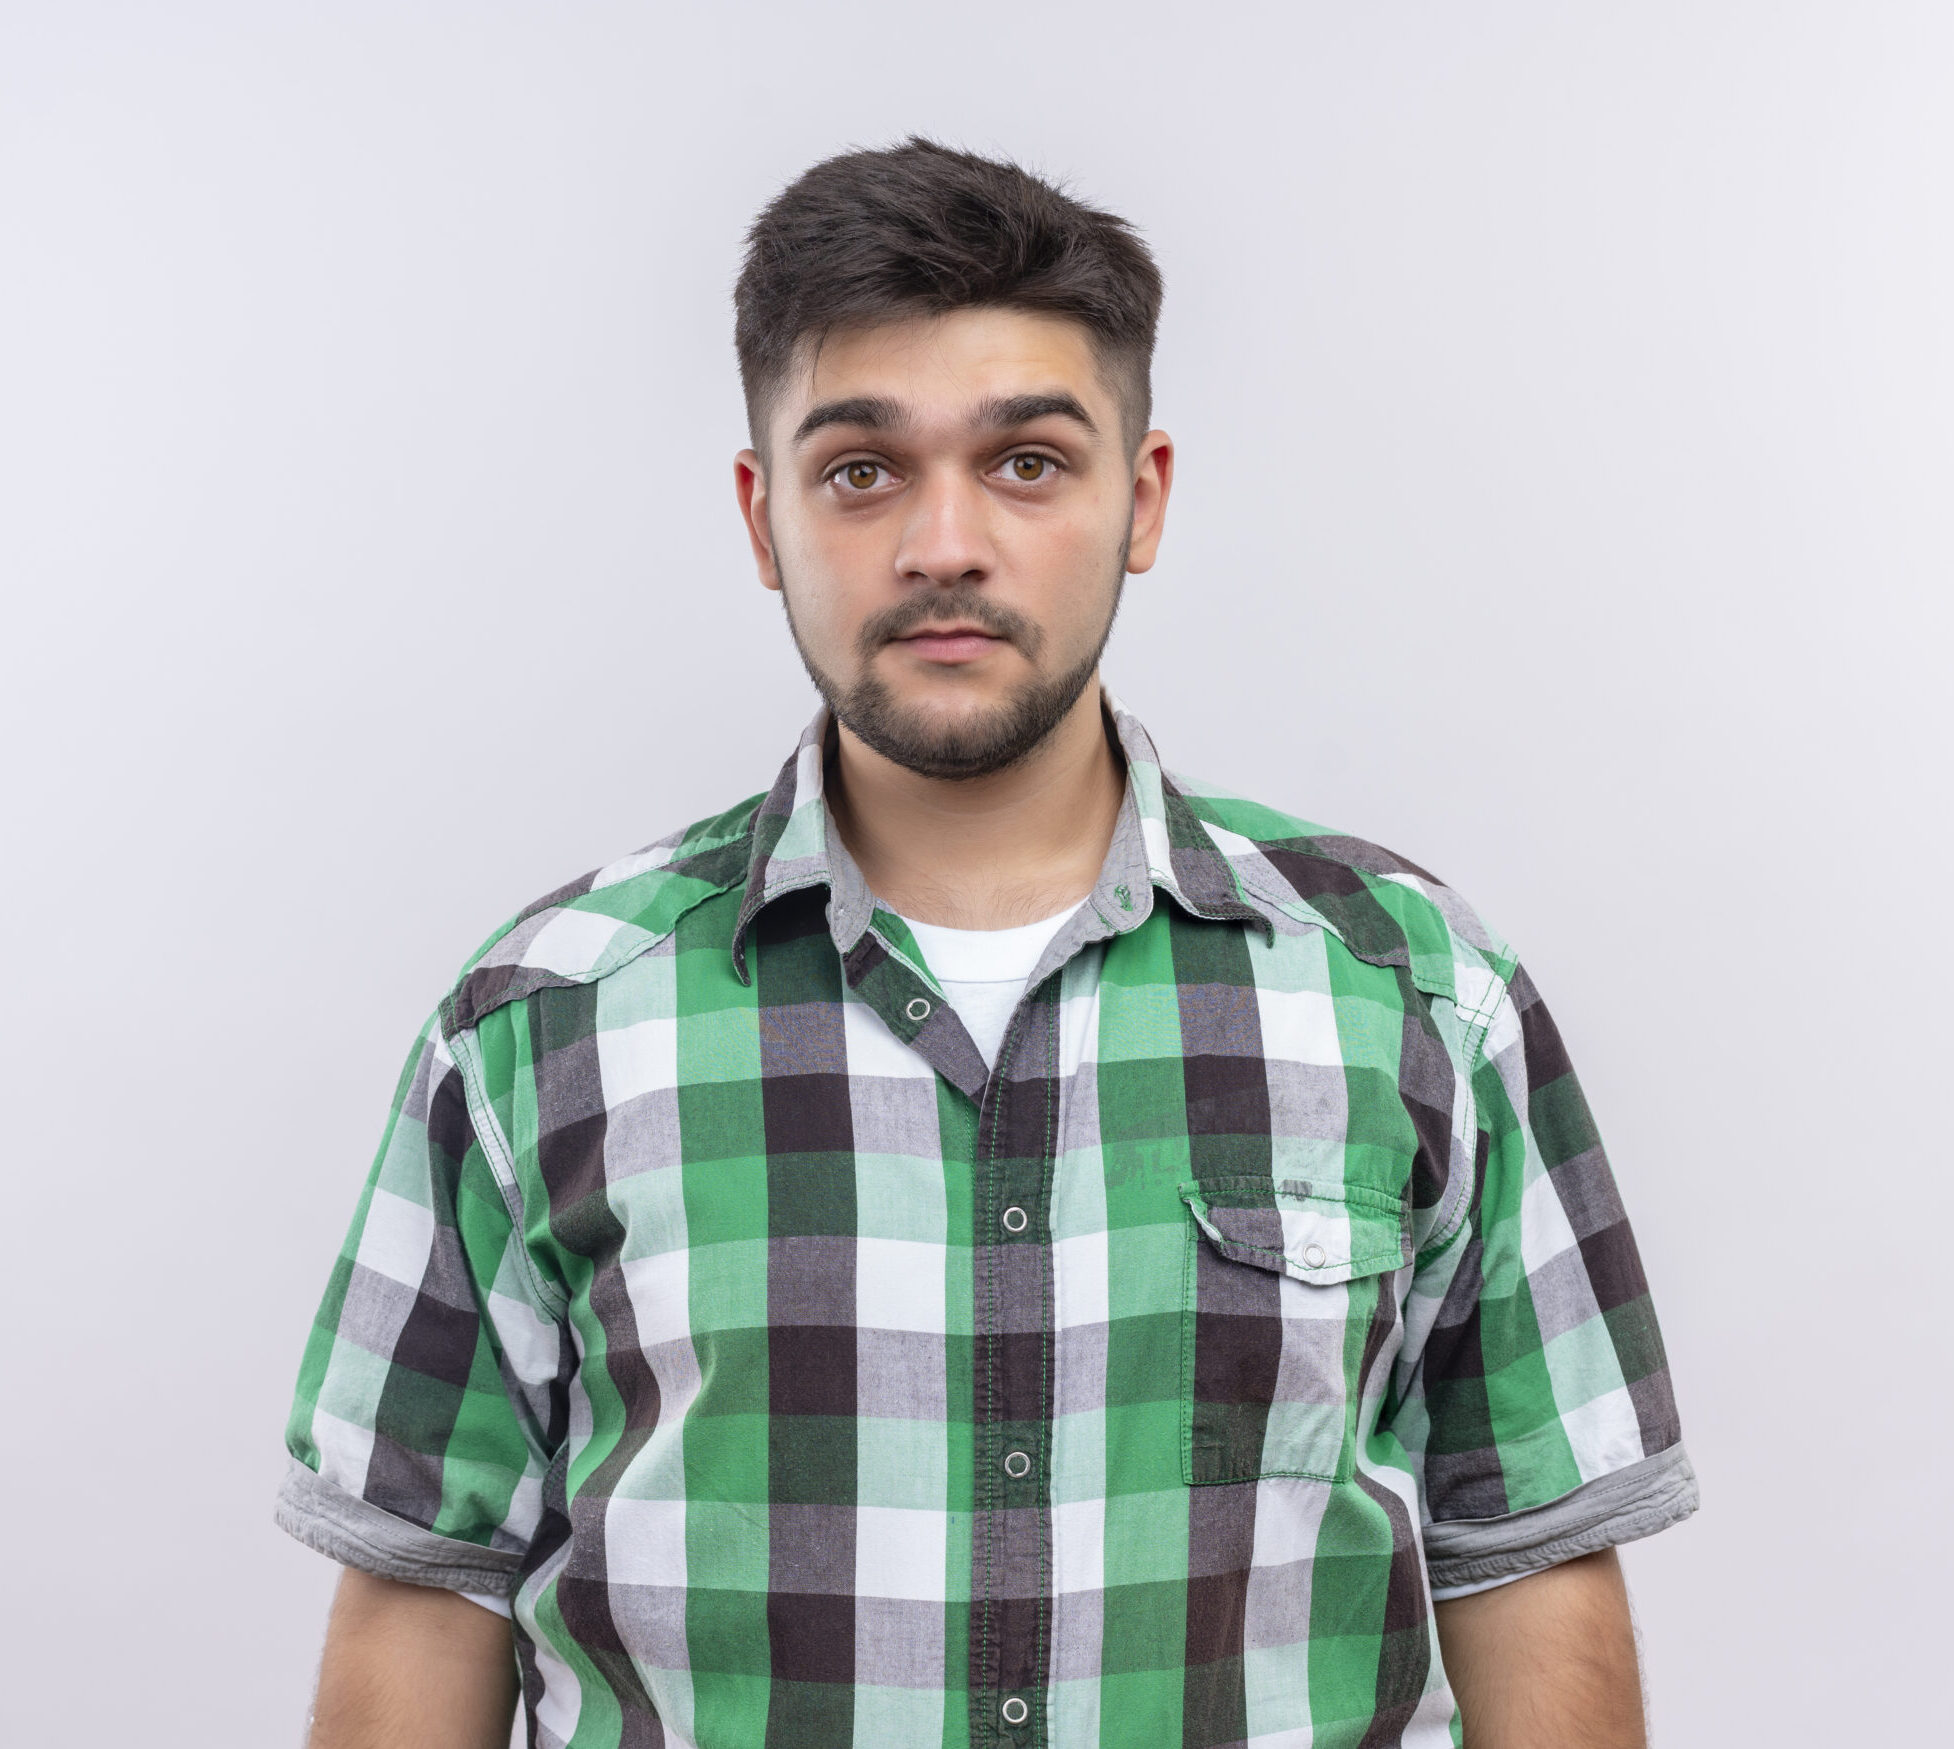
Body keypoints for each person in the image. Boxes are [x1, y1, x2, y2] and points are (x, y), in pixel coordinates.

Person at [277, 137, 1698, 1749]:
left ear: (1138, 495)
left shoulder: (1414, 994)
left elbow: (1529, 1558)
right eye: (861, 468)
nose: (942, 543)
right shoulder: (538, 1024)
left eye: (1025, 459)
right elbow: (422, 1590)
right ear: (765, 515)